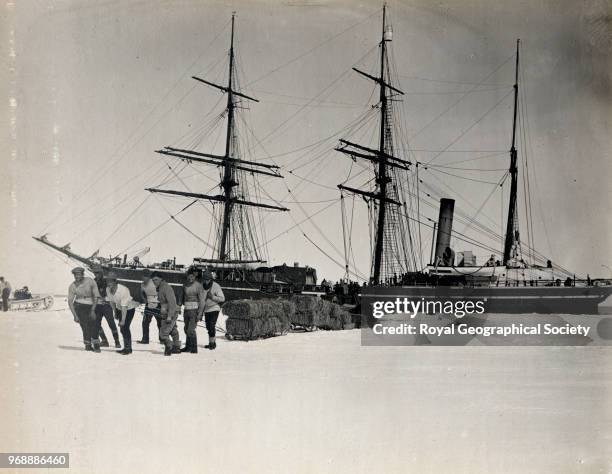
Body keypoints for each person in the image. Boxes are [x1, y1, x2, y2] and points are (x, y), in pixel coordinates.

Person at [67, 267, 101, 352]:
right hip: (79, 306)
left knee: (95, 325)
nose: (77, 277)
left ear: (83, 274)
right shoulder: (72, 286)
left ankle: (96, 343)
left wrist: (93, 310)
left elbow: (96, 296)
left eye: (79, 274)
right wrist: (75, 315)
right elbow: (70, 301)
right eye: (75, 275)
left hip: (92, 304)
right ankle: (88, 345)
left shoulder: (90, 281)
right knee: (84, 325)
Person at [105, 272, 139, 355]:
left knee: (125, 327)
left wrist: (123, 320)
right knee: (122, 329)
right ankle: (126, 347)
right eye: (107, 281)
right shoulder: (108, 289)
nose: (109, 283)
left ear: (115, 282)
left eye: (111, 281)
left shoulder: (123, 290)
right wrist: (115, 312)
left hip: (129, 309)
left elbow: (125, 307)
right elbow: (112, 302)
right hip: (120, 308)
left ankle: (128, 348)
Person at [151, 272, 181, 356]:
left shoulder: (166, 288)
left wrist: (169, 316)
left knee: (163, 333)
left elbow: (172, 303)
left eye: (156, 280)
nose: (154, 282)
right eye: (153, 280)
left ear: (161, 279)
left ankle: (169, 347)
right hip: (166, 312)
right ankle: (176, 347)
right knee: (172, 330)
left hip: (170, 312)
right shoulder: (160, 287)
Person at [91, 265, 121, 348]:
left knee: (111, 323)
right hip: (97, 306)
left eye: (98, 273)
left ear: (101, 273)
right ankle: (104, 341)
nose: (96, 274)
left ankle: (117, 342)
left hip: (107, 306)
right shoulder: (93, 282)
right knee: (96, 324)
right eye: (95, 273)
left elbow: (113, 293)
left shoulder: (107, 281)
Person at [181, 268, 206, 353]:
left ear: (195, 276)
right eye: (189, 276)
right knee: (186, 329)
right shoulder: (185, 285)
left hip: (194, 311)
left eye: (192, 276)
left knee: (190, 330)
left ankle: (194, 348)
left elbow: (202, 301)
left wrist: (200, 314)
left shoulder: (198, 286)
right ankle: (188, 347)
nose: (190, 278)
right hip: (186, 310)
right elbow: (182, 298)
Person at [201, 270, 225, 350]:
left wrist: (212, 297)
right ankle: (212, 342)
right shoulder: (202, 286)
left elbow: (222, 298)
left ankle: (212, 344)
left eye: (208, 280)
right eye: (205, 279)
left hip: (215, 308)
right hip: (207, 309)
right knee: (208, 327)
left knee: (211, 325)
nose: (206, 281)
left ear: (211, 279)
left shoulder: (216, 286)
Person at [138, 269, 162, 344]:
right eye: (143, 276)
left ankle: (162, 339)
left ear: (149, 276)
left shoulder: (154, 282)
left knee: (160, 323)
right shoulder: (142, 284)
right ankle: (145, 339)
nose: (143, 278)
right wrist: (144, 299)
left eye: (145, 276)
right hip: (148, 304)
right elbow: (141, 293)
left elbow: (162, 291)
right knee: (145, 322)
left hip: (158, 304)